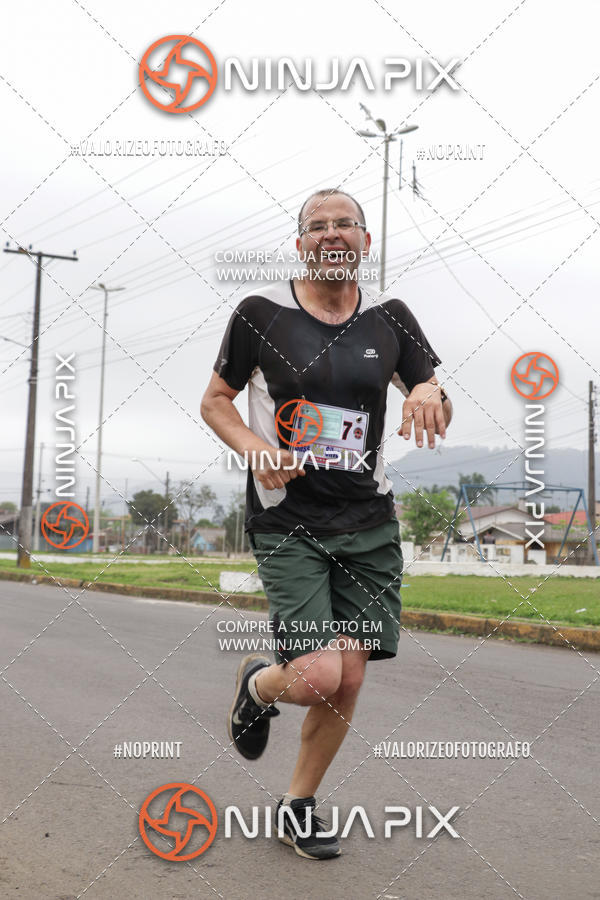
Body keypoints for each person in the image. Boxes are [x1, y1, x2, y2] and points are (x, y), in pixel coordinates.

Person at [201, 188, 452, 859]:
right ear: (300, 244)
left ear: (366, 243)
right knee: (316, 677)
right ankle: (259, 686)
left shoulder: (391, 321)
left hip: (367, 523)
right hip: (290, 521)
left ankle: (298, 804)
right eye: (318, 226)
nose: (333, 234)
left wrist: (429, 389)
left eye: (346, 224)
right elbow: (216, 401)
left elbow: (435, 398)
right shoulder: (260, 316)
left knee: (353, 675)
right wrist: (255, 448)